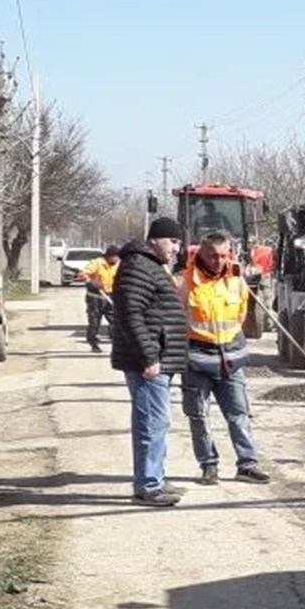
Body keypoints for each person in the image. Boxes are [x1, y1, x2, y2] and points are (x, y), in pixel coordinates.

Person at [179, 231, 271, 486]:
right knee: (198, 415)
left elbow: (240, 316)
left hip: (231, 360)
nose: (218, 261)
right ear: (201, 254)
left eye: (223, 255)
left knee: (239, 414)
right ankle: (208, 465)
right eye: (213, 255)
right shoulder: (186, 282)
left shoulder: (236, 280)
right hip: (197, 360)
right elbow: (176, 319)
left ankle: (247, 464)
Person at [110, 217, 188, 507]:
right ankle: (148, 486)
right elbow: (132, 315)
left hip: (159, 359)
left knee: (157, 422)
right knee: (151, 423)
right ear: (155, 239)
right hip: (148, 362)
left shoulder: (149, 266)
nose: (176, 248)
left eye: (178, 242)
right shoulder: (138, 266)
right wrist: (148, 357)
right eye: (172, 241)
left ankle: (155, 478)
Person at [81, 244, 121, 353]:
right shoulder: (97, 263)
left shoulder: (118, 265)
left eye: (118, 257)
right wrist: (91, 282)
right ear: (109, 256)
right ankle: (93, 343)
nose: (116, 260)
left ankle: (117, 345)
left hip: (110, 297)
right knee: (94, 322)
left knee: (115, 321)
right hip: (95, 298)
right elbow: (82, 274)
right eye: (115, 257)